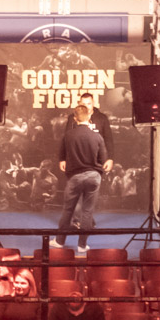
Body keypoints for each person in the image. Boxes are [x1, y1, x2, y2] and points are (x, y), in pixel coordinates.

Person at [54, 104, 110, 253]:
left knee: (68, 210)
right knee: (87, 212)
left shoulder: (68, 136)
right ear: (89, 117)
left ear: (75, 118)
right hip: (93, 176)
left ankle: (59, 241)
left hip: (75, 177)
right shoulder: (97, 136)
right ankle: (82, 245)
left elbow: (62, 157)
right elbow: (103, 160)